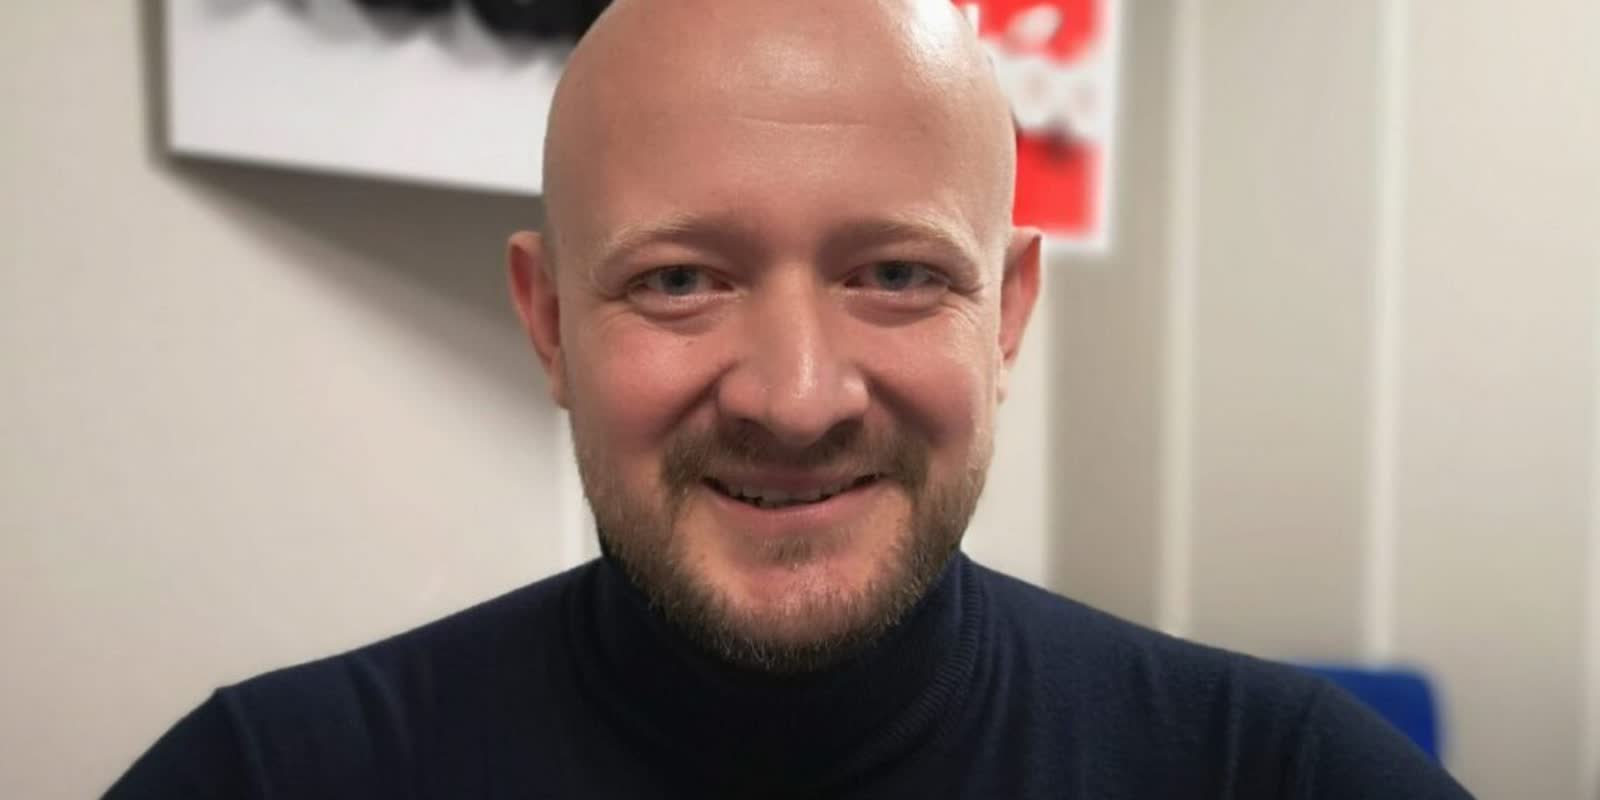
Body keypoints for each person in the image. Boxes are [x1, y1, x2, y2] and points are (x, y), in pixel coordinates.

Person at [106, 0, 1475, 797]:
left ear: (1006, 314)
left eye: (896, 274)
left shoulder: (1288, 778)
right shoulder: (270, 780)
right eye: (680, 281)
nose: (799, 397)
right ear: (550, 322)